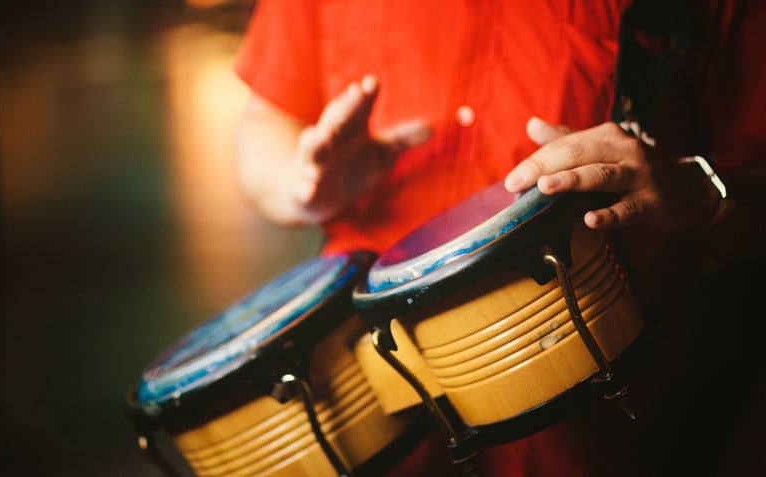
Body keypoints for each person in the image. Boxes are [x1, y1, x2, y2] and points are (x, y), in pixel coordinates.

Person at [231, 0, 766, 476]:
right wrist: (299, 185)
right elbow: (267, 120)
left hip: (597, 413)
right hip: (369, 406)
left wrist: (696, 195)